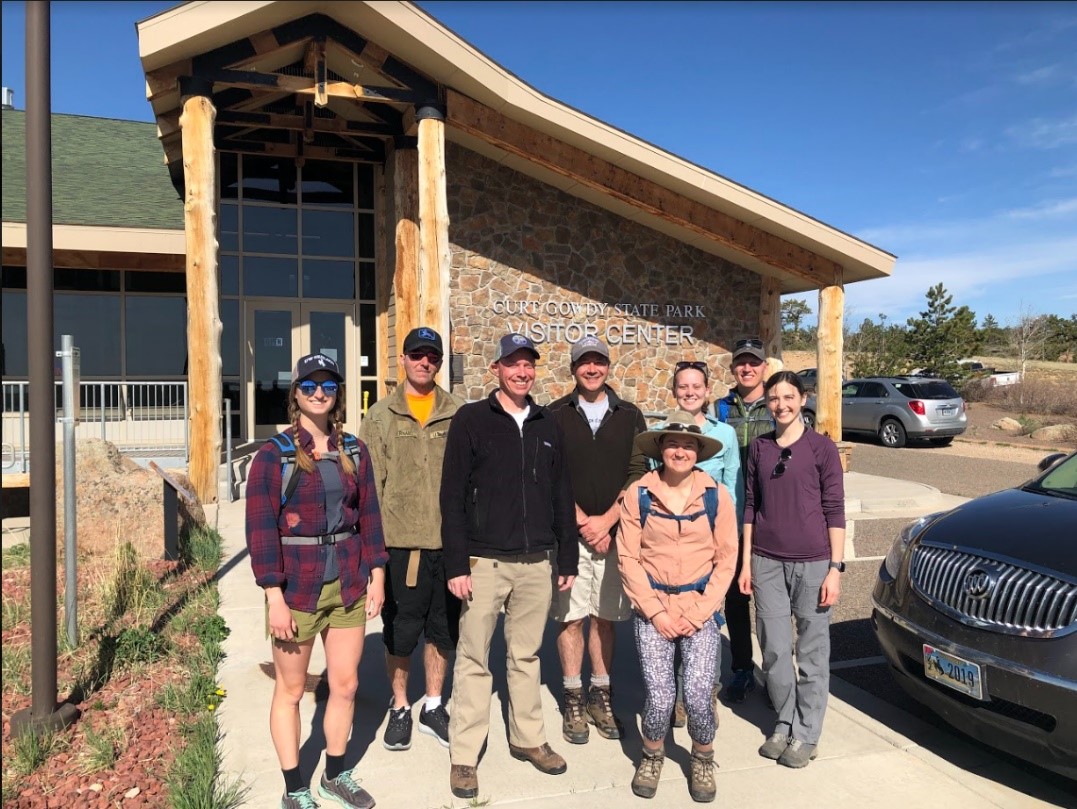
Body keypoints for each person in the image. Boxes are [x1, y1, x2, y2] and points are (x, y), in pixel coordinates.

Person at [245, 353, 388, 809]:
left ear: (337, 394)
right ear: (296, 394)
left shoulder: (353, 450)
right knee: (290, 690)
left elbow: (369, 515)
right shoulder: (274, 456)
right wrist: (273, 595)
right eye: (310, 386)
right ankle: (295, 787)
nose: (319, 393)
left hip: (347, 581)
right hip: (297, 588)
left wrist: (377, 572)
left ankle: (334, 774)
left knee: (344, 685)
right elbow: (261, 529)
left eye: (328, 386)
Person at [440, 333, 579, 800]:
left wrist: (568, 555)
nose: (522, 372)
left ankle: (528, 738)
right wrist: (457, 563)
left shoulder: (547, 423)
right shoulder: (472, 420)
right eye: (513, 364)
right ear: (496, 368)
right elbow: (452, 496)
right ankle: (464, 754)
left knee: (526, 656)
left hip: (537, 561)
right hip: (484, 561)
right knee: (475, 657)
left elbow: (562, 493)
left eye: (529, 365)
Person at [618, 411, 738, 803]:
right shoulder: (640, 493)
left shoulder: (716, 496)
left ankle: (703, 757)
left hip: (699, 609)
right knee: (660, 695)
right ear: (660, 449)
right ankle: (652, 754)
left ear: (699, 452)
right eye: (673, 443)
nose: (680, 451)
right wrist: (656, 612)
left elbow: (726, 560)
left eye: (689, 445)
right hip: (653, 609)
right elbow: (629, 558)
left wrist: (697, 613)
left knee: (701, 694)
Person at [359, 327, 463, 753]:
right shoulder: (380, 417)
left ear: (439, 363)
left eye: (432, 357)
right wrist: (375, 559)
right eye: (416, 355)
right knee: (400, 634)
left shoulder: (459, 413)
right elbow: (369, 491)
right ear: (402, 360)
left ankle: (433, 705)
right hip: (401, 548)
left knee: (443, 632)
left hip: (450, 547)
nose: (424, 362)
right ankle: (401, 705)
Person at [737, 370, 846, 769]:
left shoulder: (821, 448)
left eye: (788, 397)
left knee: (813, 653)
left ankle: (806, 732)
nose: (780, 405)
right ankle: (784, 720)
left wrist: (835, 567)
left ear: (802, 399)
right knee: (775, 650)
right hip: (766, 561)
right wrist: (747, 560)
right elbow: (750, 505)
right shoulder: (760, 449)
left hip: (814, 563)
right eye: (774, 398)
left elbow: (835, 509)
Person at [548, 336, 648, 745]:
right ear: (573, 369)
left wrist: (606, 521)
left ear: (608, 367)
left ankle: (600, 695)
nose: (592, 369)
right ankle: (573, 694)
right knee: (570, 616)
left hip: (614, 534)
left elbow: (639, 471)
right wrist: (582, 522)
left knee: (605, 616)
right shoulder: (554, 414)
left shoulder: (629, 414)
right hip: (567, 537)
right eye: (584, 362)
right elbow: (549, 473)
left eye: (599, 362)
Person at [660, 360, 740, 726]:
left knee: (707, 617)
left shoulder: (724, 435)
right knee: (673, 618)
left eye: (696, 386)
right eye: (683, 387)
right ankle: (677, 694)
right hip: (671, 547)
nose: (689, 392)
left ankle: (705, 687)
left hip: (709, 544)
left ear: (708, 392)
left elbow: (733, 489)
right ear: (674, 392)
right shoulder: (662, 433)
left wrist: (726, 544)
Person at [713, 336, 776, 704]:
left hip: (771, 518)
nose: (747, 368)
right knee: (736, 599)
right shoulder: (721, 408)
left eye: (754, 362)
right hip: (734, 516)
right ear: (734, 367)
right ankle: (742, 669)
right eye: (741, 363)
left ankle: (774, 673)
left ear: (764, 367)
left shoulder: (779, 403)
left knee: (770, 603)